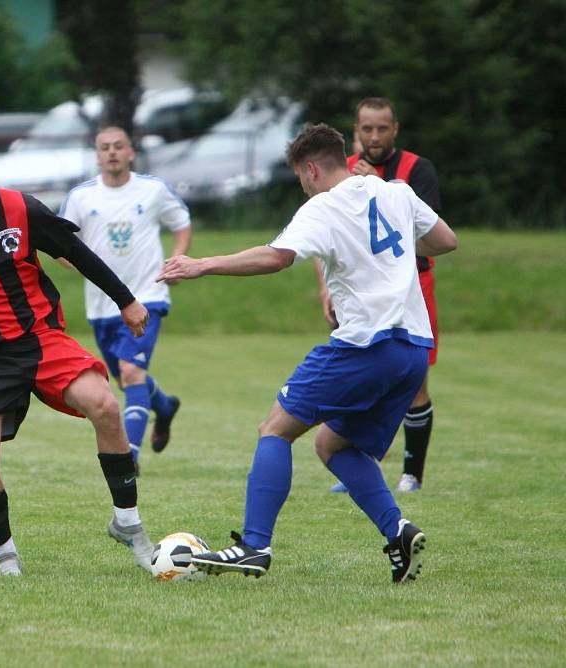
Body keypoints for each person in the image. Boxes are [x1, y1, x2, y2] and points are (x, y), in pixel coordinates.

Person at [157, 123, 457, 583]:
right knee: (333, 444)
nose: (303, 185)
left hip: (365, 345)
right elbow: (444, 241)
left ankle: (254, 546)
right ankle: (398, 531)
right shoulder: (395, 192)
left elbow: (276, 257)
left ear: (312, 168)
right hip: (412, 350)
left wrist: (203, 264)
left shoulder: (323, 206)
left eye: (301, 177)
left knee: (275, 429)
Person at [0, 132, 155, 577]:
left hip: (41, 338)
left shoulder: (21, 209)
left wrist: (125, 299)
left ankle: (128, 524)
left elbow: (77, 252)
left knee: (105, 404)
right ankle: (6, 554)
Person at [323, 97, 443, 494]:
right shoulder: (343, 173)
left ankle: (413, 473)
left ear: (396, 129)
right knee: (366, 375)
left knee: (413, 382)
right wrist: (326, 287)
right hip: (360, 291)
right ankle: (363, 466)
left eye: (381, 128)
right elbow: (325, 233)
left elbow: (432, 237)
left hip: (412, 289)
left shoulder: (416, 170)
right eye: (366, 129)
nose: (373, 136)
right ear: (356, 130)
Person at [59, 126, 190, 474]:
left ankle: (129, 456)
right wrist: (75, 261)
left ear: (131, 152)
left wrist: (176, 260)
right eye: (105, 147)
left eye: (119, 146)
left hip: (148, 296)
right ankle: (163, 406)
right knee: (126, 379)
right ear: (97, 155)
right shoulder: (81, 197)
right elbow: (58, 242)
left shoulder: (153, 189)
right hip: (102, 306)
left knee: (132, 373)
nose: (112, 152)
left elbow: (182, 223)